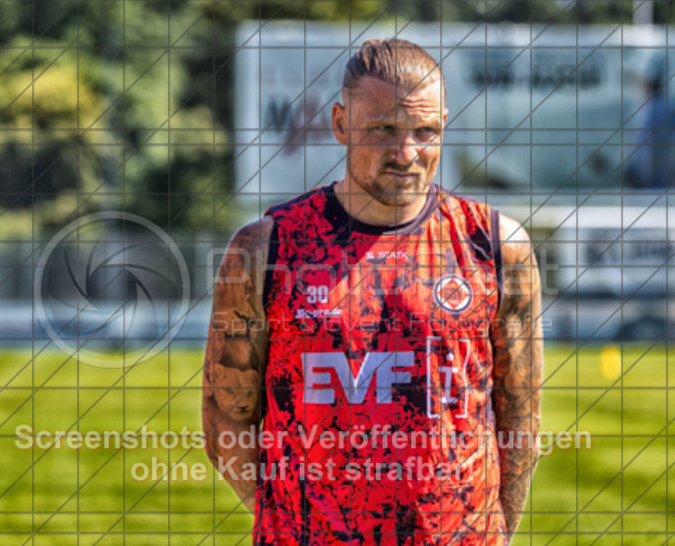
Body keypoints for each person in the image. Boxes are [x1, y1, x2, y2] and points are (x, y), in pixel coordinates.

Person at [203, 39, 543, 544]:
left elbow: (520, 422)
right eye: (383, 129)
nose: (406, 153)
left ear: (444, 124)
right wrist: (298, 521)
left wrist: (486, 531)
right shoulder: (265, 250)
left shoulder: (495, 245)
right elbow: (225, 426)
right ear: (340, 123)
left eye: (425, 131)